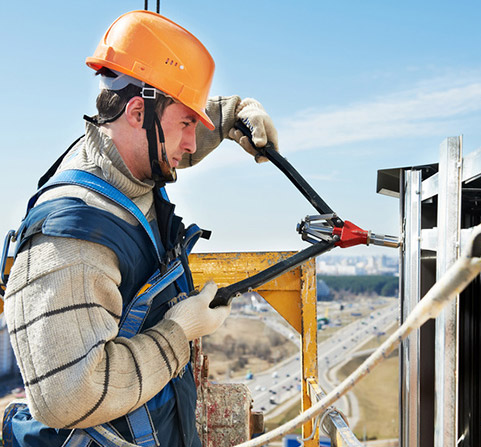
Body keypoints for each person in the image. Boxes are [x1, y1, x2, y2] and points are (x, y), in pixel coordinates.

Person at [2, 10, 278, 447]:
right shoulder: (71, 241)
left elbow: (167, 135)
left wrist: (230, 117)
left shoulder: (128, 161)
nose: (190, 146)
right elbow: (67, 398)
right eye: (187, 124)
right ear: (135, 113)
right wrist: (179, 332)